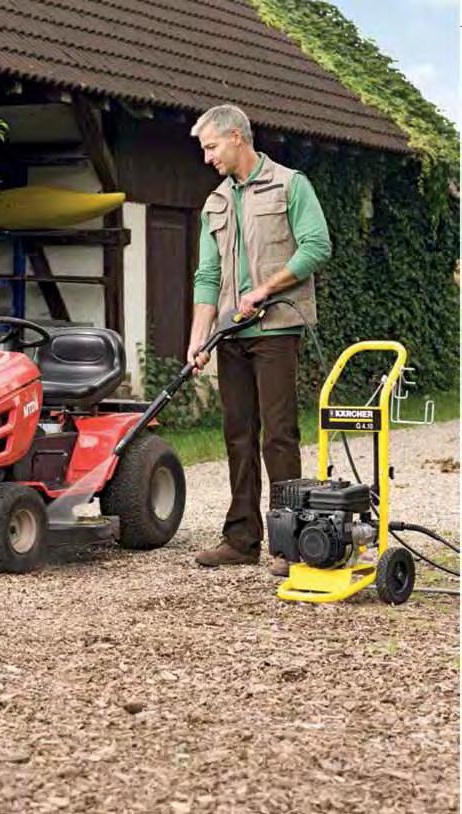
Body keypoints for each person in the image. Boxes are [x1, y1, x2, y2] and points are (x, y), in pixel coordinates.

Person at [188, 104, 332, 576]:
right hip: (231, 333)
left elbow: (316, 246)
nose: (207, 157)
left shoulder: (291, 185)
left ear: (236, 137)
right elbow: (207, 275)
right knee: (238, 435)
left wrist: (265, 290)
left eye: (211, 147)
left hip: (276, 329)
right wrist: (199, 338)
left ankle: (289, 545)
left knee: (279, 435)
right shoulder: (216, 202)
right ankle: (241, 538)